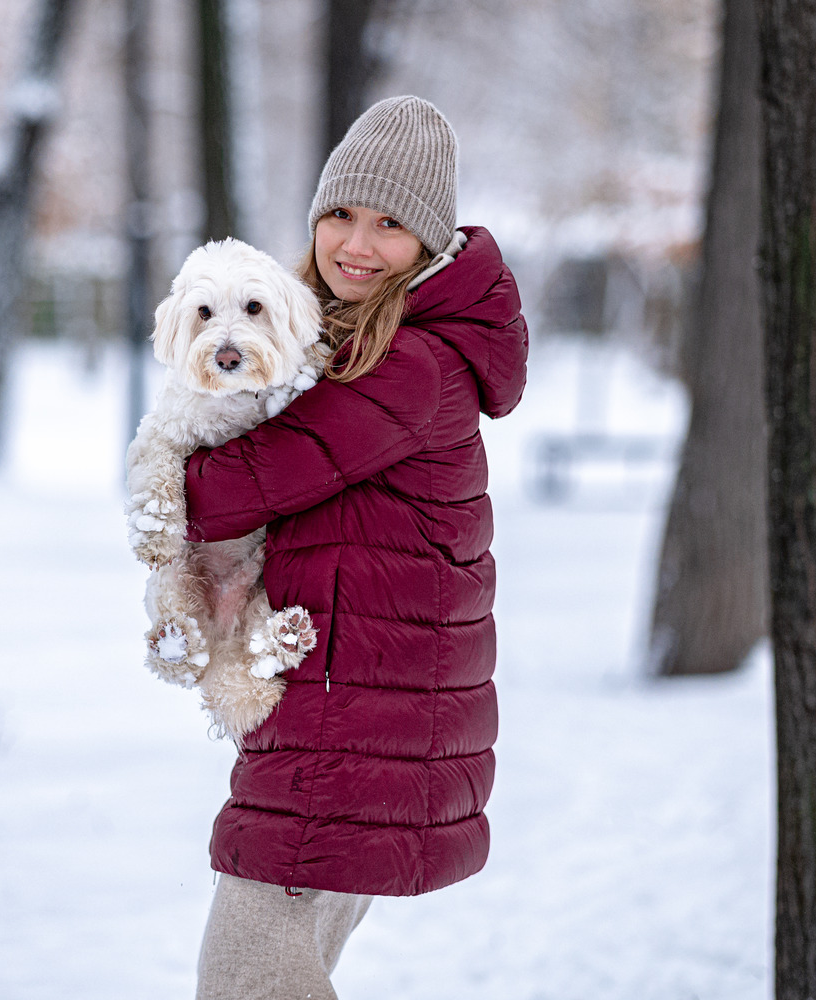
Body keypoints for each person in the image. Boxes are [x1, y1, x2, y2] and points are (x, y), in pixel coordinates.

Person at [182, 95, 530, 1000]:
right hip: (350, 721)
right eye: (340, 213)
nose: (357, 244)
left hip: (352, 735)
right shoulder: (353, 339)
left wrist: (163, 465)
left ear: (433, 242)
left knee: (244, 981)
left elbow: (227, 490)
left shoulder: (408, 367)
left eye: (391, 224)